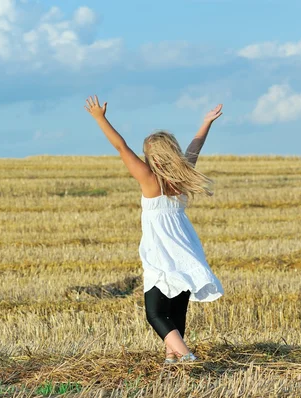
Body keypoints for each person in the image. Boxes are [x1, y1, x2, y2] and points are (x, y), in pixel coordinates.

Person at [84, 95, 224, 363]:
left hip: (161, 251)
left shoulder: (150, 180)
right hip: (185, 248)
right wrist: (206, 123)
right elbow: (196, 147)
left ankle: (186, 359)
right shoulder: (181, 178)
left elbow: (121, 147)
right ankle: (172, 359)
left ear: (152, 158)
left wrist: (100, 119)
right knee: (175, 312)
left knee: (156, 314)